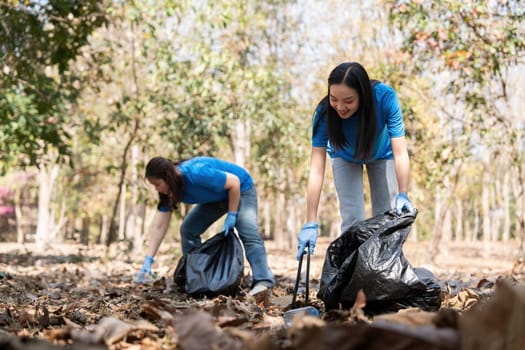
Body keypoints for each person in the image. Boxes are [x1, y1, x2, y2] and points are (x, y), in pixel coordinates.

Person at [297, 62, 415, 260]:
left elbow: (401, 152)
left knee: (386, 217)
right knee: (353, 218)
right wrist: (310, 221)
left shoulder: (385, 98)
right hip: (344, 156)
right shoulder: (324, 113)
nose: (340, 107)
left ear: (363, 95)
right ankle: (352, 279)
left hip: (382, 154)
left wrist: (403, 192)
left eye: (348, 100)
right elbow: (316, 170)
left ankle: (384, 275)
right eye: (334, 99)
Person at [136, 156, 275, 296]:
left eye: (158, 184)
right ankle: (195, 279)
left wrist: (232, 214)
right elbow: (159, 227)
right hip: (217, 198)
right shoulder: (170, 192)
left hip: (241, 189)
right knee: (188, 229)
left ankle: (263, 281)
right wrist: (148, 260)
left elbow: (234, 182)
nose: (157, 189)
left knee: (247, 233)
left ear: (168, 177)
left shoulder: (195, 173)